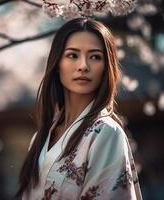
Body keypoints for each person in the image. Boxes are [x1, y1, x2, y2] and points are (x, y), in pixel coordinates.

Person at [16, 18, 142, 200]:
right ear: (57, 64)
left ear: (107, 68)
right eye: (72, 55)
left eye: (95, 57)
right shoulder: (40, 137)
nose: (83, 66)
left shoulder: (106, 133)